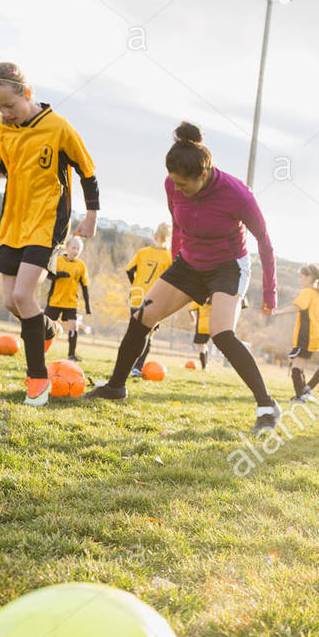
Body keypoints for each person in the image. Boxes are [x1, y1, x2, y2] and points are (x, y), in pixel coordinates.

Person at [86, 123, 281, 436]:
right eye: (173, 183)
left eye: (184, 184)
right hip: (189, 262)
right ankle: (115, 386)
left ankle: (267, 406)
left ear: (203, 175)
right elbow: (177, 223)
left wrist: (270, 292)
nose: (177, 189)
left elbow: (264, 241)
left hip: (228, 266)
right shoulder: (171, 183)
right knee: (142, 317)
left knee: (221, 332)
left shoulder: (236, 194)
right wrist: (177, 259)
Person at [0, 61, 99, 405]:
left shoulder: (58, 128)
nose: (5, 114)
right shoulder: (1, 128)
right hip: (13, 222)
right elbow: (2, 169)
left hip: (47, 220)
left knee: (24, 296)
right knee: (11, 301)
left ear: (28, 93)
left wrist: (92, 214)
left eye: (10, 105)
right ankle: (48, 330)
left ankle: (38, 381)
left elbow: (87, 171)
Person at [270, 264, 319, 402]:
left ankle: (300, 396)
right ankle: (305, 392)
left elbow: (298, 306)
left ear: (309, 277)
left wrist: (279, 312)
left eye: (301, 276)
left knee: (296, 365)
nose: (299, 279)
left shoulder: (308, 292)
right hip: (317, 337)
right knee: (299, 363)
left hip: (306, 336)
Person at [124, 224, 173, 375]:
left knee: (133, 332)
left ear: (155, 235)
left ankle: (124, 366)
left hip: (137, 295)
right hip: (155, 298)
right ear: (169, 238)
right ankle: (137, 368)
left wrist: (136, 283)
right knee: (148, 334)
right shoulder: (169, 257)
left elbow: (129, 270)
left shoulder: (143, 252)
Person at [44, 236, 91, 362]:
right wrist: (59, 275)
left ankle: (71, 355)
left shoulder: (81, 265)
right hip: (56, 300)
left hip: (71, 302)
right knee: (47, 326)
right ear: (67, 247)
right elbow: (48, 275)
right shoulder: (58, 261)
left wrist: (88, 306)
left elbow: (85, 286)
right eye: (74, 247)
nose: (76, 251)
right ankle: (42, 351)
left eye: (78, 248)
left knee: (73, 326)